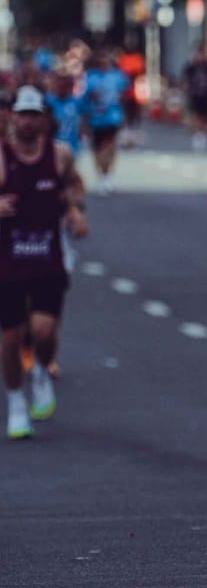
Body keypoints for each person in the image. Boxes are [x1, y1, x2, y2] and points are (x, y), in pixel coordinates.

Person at [0, 86, 87, 438]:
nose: (28, 122)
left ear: (44, 119)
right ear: (13, 117)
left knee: (44, 332)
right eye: (23, 114)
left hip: (48, 255)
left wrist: (76, 212)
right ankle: (16, 402)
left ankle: (39, 371)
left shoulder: (60, 155)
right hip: (8, 260)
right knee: (10, 338)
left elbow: (74, 187)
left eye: (34, 115)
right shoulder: (2, 158)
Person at [81, 46, 128, 193]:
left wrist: (125, 115)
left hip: (112, 118)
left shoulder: (117, 76)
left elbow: (124, 94)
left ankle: (108, 174)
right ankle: (101, 174)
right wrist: (84, 118)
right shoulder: (90, 77)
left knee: (110, 147)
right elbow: (85, 97)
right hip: (95, 118)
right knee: (97, 149)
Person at [184, 45, 207, 151]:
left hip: (206, 94)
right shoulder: (191, 67)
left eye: (202, 54)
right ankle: (197, 135)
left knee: (204, 116)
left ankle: (202, 134)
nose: (200, 57)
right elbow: (186, 79)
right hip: (195, 94)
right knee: (196, 115)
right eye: (198, 54)